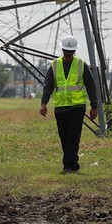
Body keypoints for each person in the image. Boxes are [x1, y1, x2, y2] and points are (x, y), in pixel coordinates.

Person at [39, 35, 99, 173]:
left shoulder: (81, 64)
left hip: (77, 107)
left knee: (73, 136)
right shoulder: (55, 65)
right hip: (60, 107)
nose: (68, 53)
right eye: (66, 50)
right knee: (64, 137)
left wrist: (94, 106)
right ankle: (73, 163)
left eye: (70, 51)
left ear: (74, 51)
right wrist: (43, 103)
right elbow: (48, 85)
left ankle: (68, 166)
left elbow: (91, 86)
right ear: (62, 49)